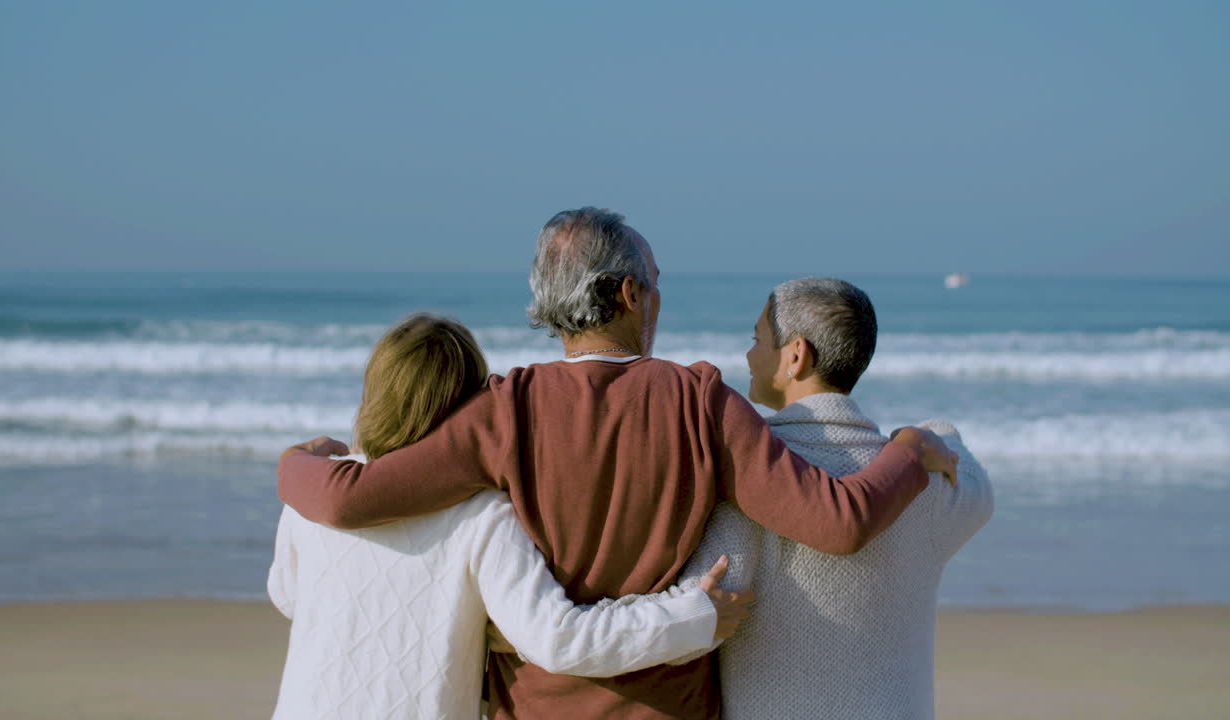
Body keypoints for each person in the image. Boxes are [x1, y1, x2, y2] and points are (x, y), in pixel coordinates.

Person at [279, 208, 959, 719]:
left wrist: (291, 464)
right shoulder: (700, 400)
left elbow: (346, 499)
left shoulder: (501, 411)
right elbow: (839, 523)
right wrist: (907, 451)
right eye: (655, 285)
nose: (658, 299)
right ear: (629, 294)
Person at [268, 314, 755, 720]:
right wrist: (693, 616)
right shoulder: (481, 517)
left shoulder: (310, 500)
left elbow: (287, 595)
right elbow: (557, 639)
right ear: (467, 410)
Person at [679, 277, 994, 719]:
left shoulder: (751, 484)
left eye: (757, 339)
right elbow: (978, 486)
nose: (749, 355)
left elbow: (689, 624)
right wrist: (925, 435)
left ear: (796, 355)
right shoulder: (924, 480)